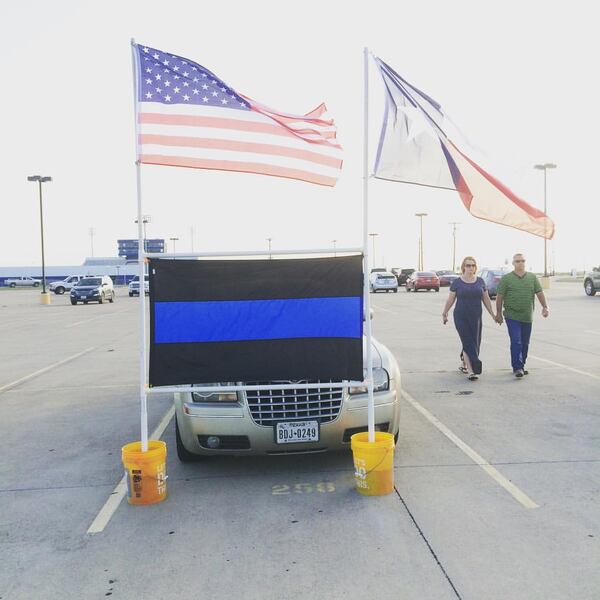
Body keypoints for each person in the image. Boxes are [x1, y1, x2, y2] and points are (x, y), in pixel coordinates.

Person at [442, 256, 496, 380]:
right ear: (463, 267)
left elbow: (486, 299)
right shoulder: (457, 282)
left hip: (476, 316)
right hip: (461, 316)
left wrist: (493, 314)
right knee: (467, 341)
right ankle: (472, 371)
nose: (470, 268)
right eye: (468, 265)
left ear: (475, 267)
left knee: (475, 343)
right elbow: (450, 299)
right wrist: (444, 313)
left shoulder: (480, 281)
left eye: (472, 265)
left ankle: (464, 362)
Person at [495, 253, 549, 378]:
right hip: (511, 315)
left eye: (522, 261)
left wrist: (545, 307)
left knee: (525, 343)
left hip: (527, 316)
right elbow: (500, 297)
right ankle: (517, 367)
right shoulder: (507, 278)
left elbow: (539, 293)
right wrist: (498, 313)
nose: (520, 263)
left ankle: (522, 364)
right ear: (513, 263)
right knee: (516, 341)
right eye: (518, 261)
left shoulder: (532, 277)